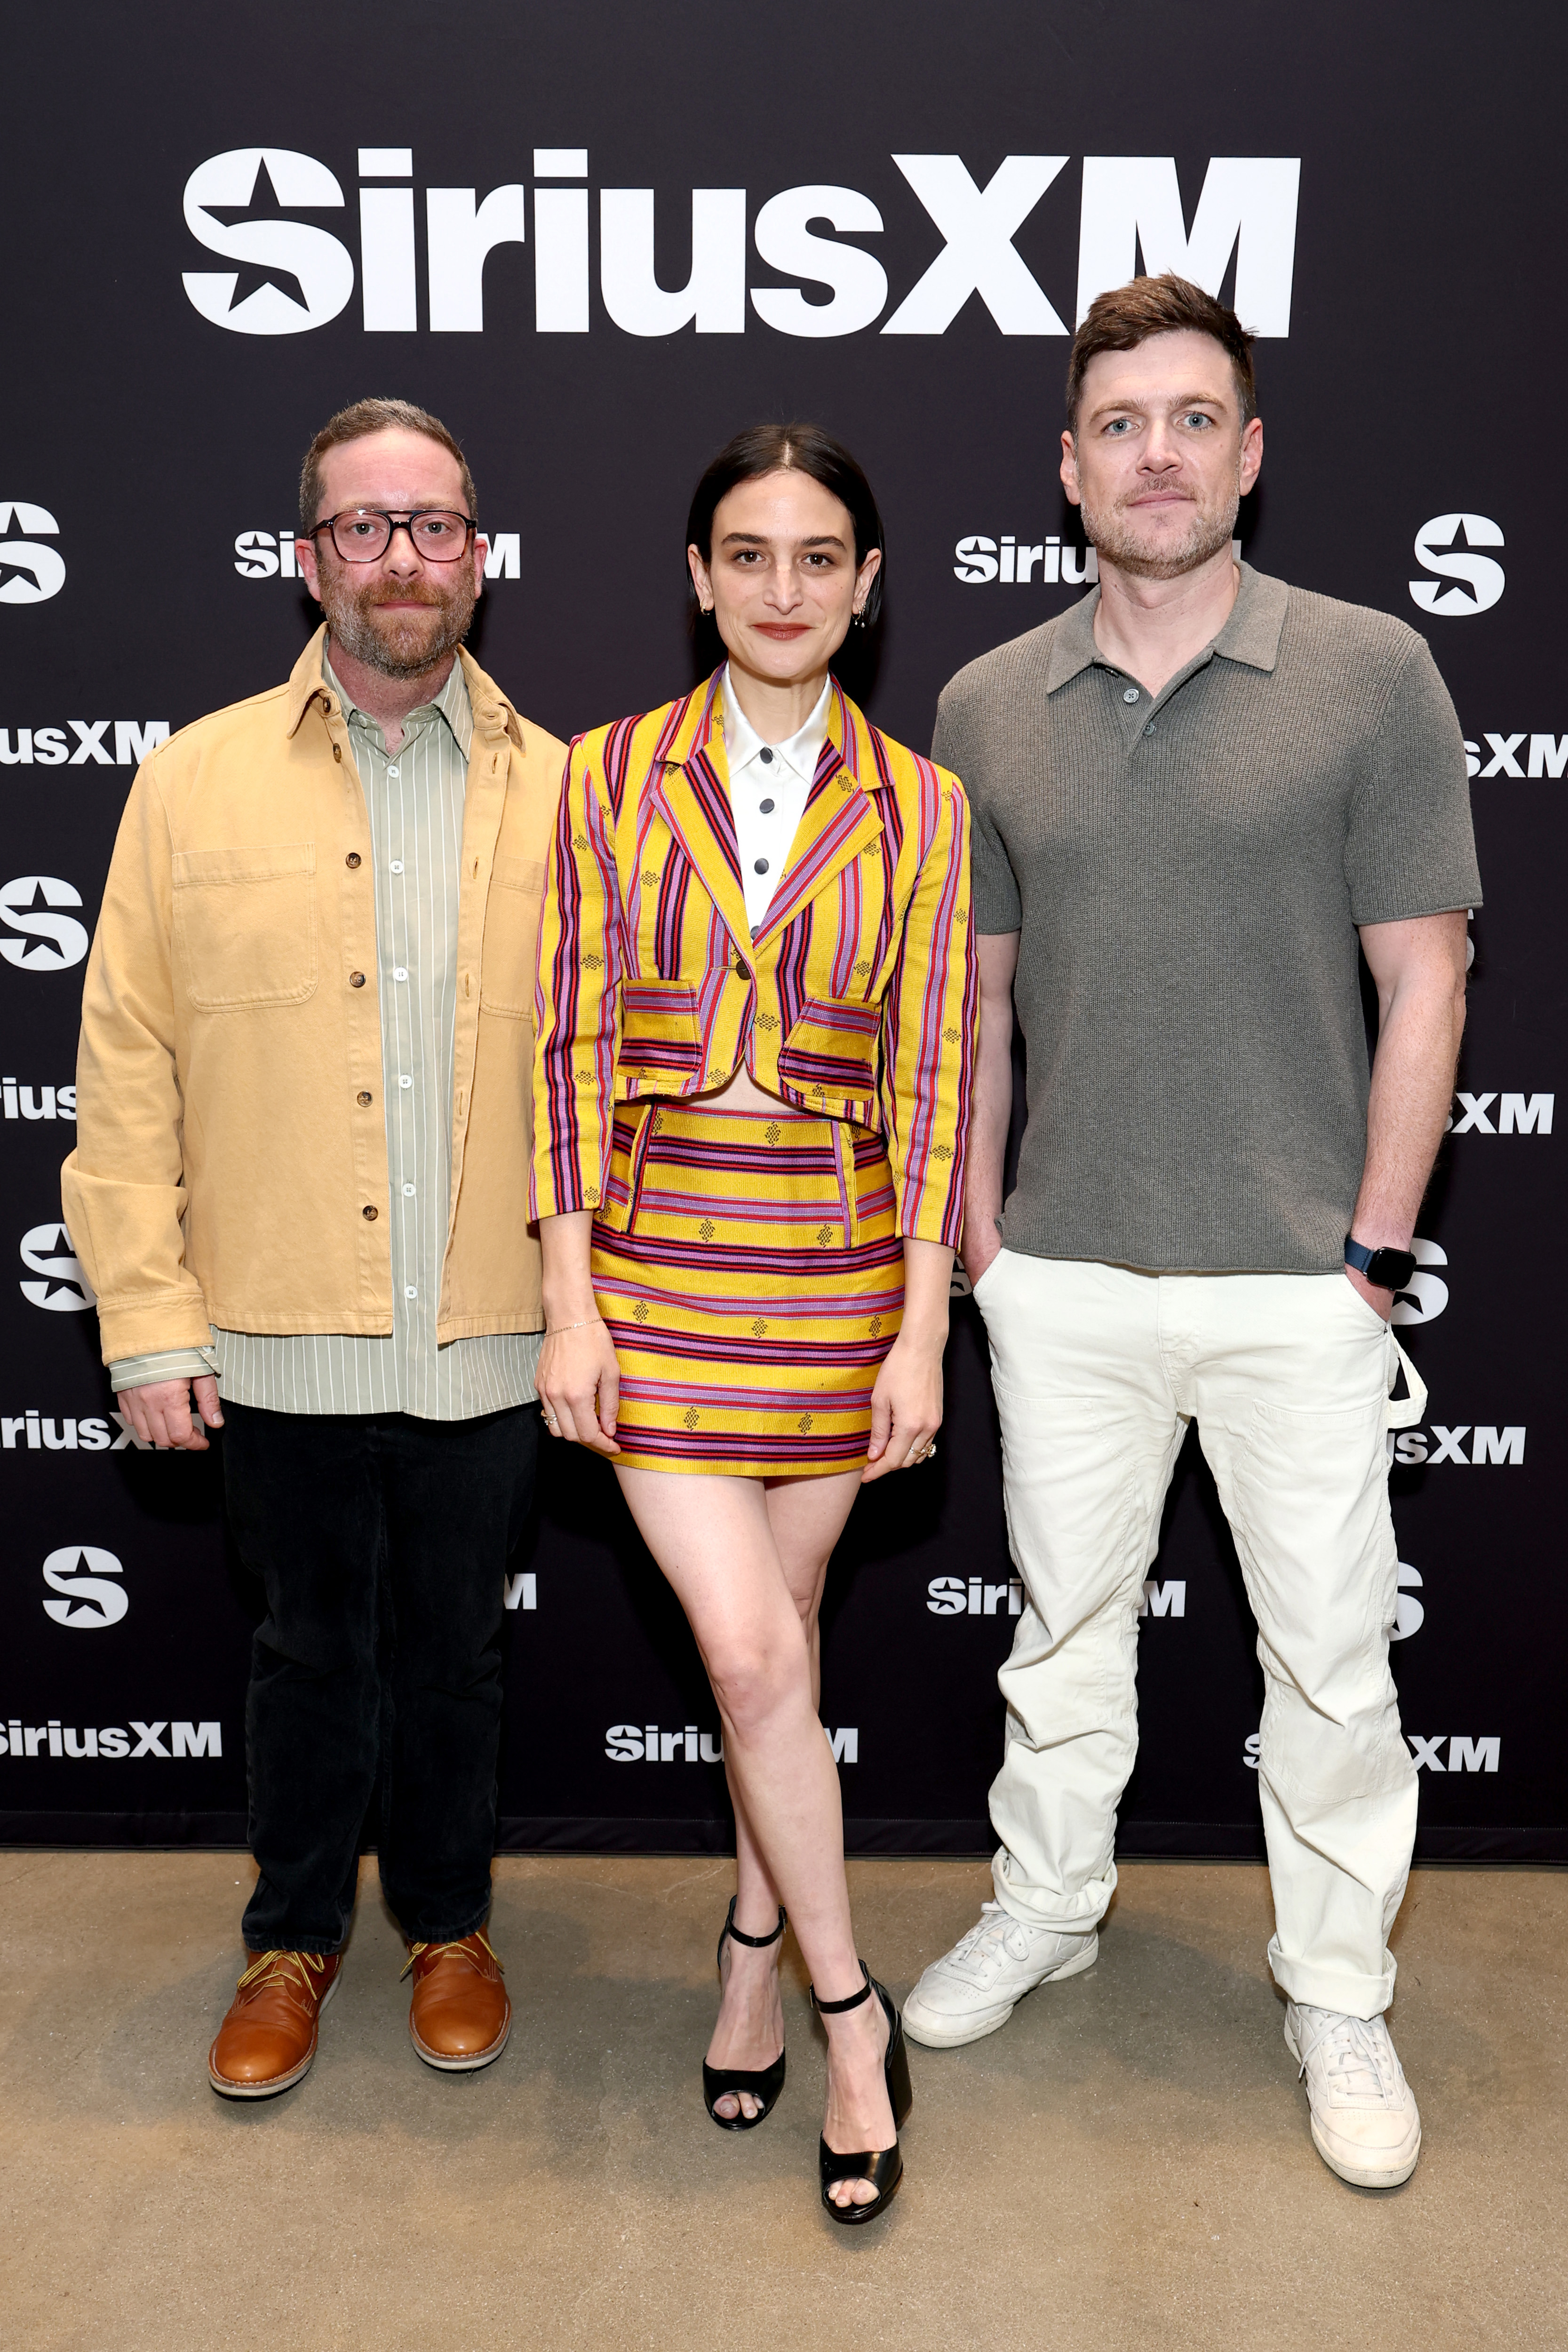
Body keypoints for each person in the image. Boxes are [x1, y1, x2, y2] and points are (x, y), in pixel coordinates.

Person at [904, 275, 1480, 2193]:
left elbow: (1427, 977)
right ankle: (1047, 1903)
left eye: (1196, 418)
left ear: (1251, 453)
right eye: (1121, 424)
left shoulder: (1373, 673)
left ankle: (1337, 1986)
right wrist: (985, 1245)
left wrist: (1370, 1261)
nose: (1159, 454)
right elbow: (977, 1004)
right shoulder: (987, 702)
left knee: (1330, 1664)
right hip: (1062, 1279)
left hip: (1298, 1286)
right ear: (1070, 469)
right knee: (1061, 1637)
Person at [62, 397, 565, 2098]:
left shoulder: (573, 793)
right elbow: (127, 1061)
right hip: (276, 1329)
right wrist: (146, 1321)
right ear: (309, 560)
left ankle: (448, 1924)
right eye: (366, 526)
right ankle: (290, 1939)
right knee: (306, 1653)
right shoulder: (190, 780)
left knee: (458, 1655)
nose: (401, 558)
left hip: (492, 1329)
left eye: (433, 526)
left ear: (478, 559)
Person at [531, 422, 975, 2219]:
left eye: (818, 557)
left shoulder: (927, 805)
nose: (781, 588)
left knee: (781, 1644)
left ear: (866, 589)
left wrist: (924, 1333)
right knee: (745, 1657)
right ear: (698, 577)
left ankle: (744, 1945)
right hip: (654, 1277)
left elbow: (937, 1083)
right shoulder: (605, 777)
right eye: (747, 553)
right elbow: (568, 1043)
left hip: (838, 1279)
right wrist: (568, 1298)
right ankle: (850, 2016)